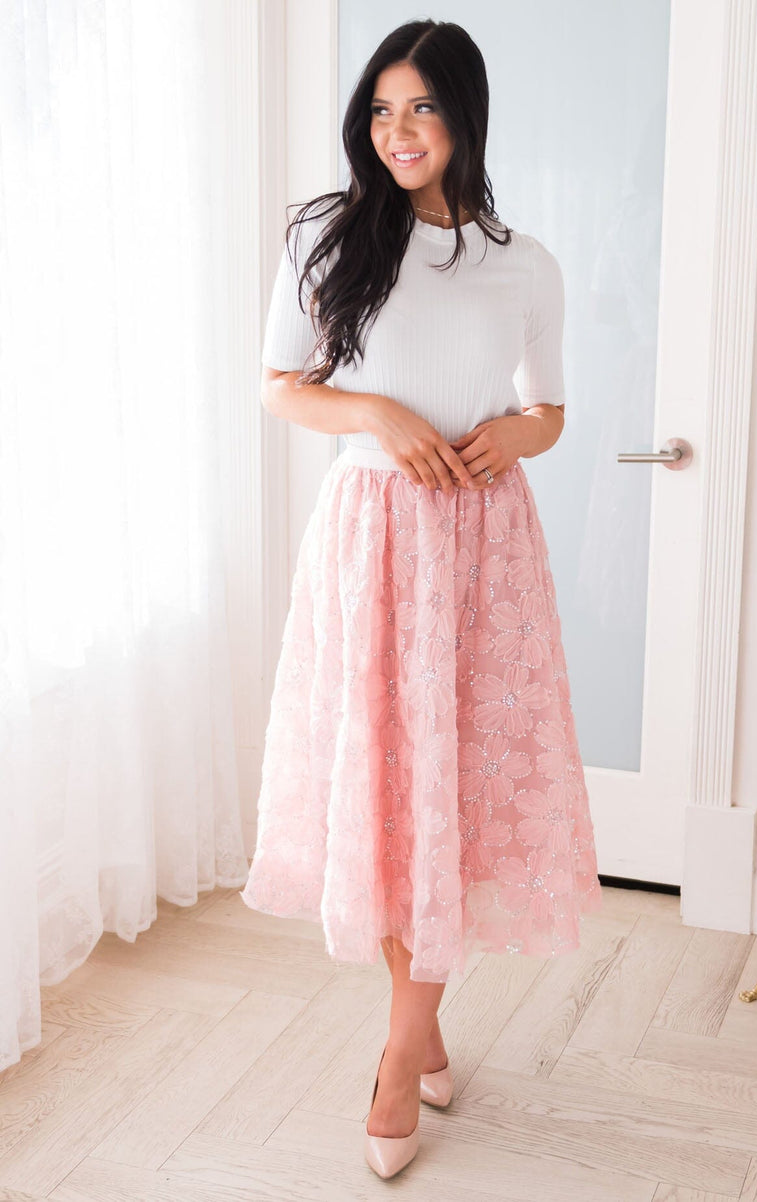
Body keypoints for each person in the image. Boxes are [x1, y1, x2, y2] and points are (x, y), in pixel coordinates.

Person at [239, 18, 603, 1180]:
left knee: (456, 791)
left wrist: (514, 435)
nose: (398, 131)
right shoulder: (325, 234)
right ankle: (420, 1030)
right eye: (382, 109)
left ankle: (398, 1054)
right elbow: (279, 386)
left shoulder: (520, 261)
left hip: (483, 545)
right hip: (372, 541)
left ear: (463, 118)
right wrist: (377, 414)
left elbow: (550, 410)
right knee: (394, 793)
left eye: (422, 108)